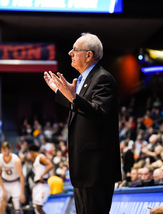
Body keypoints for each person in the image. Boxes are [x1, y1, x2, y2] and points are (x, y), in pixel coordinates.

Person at [44, 32, 121, 214]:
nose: (70, 53)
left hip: (96, 169)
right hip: (85, 168)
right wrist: (61, 93)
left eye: (75, 50)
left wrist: (73, 97)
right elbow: (79, 107)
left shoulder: (102, 78)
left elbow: (98, 113)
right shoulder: (86, 80)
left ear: (88, 55)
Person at [0, 142, 25, 214]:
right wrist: (3, 189)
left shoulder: (16, 160)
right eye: (3, 150)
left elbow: (21, 176)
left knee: (17, 206)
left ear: (10, 150)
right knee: (2, 204)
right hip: (4, 182)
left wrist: (22, 193)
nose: (4, 152)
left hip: (15, 182)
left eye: (6, 150)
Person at [28, 144, 53, 214]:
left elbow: (50, 165)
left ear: (32, 152)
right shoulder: (36, 160)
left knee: (39, 207)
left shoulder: (41, 157)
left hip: (42, 185)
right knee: (36, 208)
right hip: (37, 185)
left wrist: (42, 174)